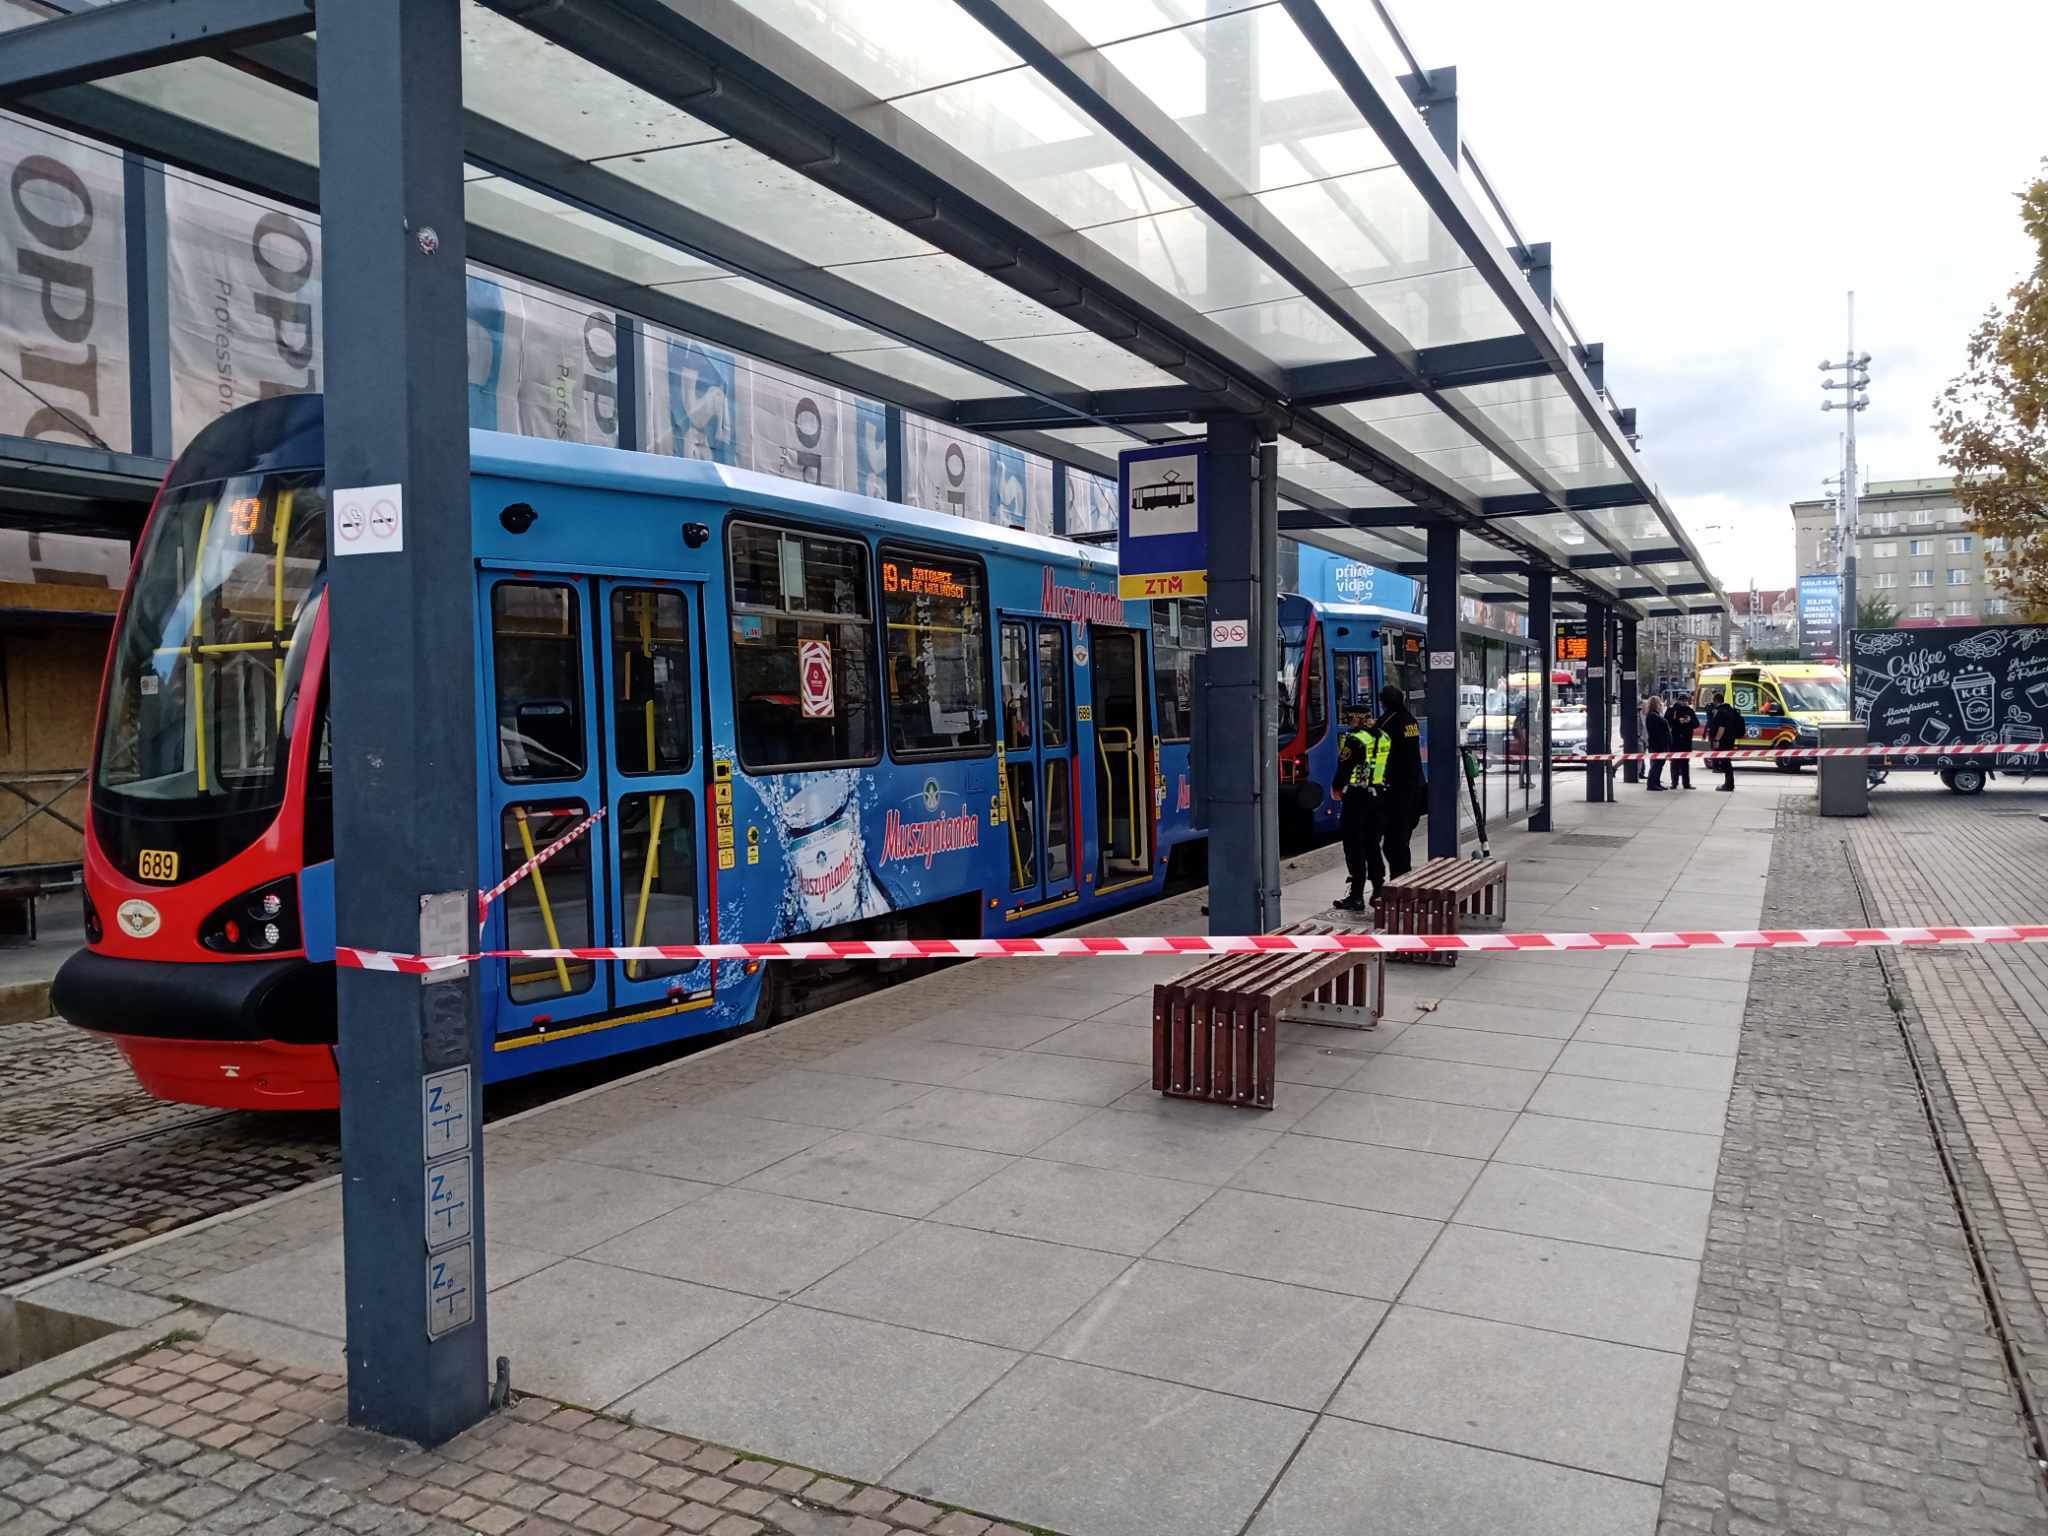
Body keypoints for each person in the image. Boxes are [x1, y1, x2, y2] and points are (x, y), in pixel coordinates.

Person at [1329, 706, 1389, 912]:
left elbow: (1344, 767)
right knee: (1373, 844)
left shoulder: (1355, 740)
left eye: (1349, 718)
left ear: (1357, 719)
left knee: (1355, 847)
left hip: (1357, 798)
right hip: (1378, 796)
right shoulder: (1383, 736)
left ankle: (1356, 896)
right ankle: (1379, 891)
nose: (1347, 721)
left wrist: (1336, 788)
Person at [1377, 684, 1425, 879]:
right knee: (1402, 841)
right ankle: (1403, 880)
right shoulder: (1410, 720)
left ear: (1384, 702)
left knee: (1392, 845)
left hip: (1398, 792)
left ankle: (1400, 883)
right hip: (1415, 789)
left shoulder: (1388, 722)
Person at [1709, 694, 1745, 790]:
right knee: (1726, 761)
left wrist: (1716, 740)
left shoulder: (1721, 712)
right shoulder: (1730, 710)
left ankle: (1728, 785)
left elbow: (1721, 728)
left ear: (1716, 701)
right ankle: (1729, 784)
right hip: (1730, 739)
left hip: (1723, 741)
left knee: (1725, 762)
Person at [1666, 691, 1699, 789]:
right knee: (1674, 762)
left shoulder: (1690, 711)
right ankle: (1674, 783)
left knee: (1685, 763)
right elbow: (1667, 722)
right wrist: (1677, 721)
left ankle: (1686, 783)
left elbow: (1696, 724)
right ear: (1678, 700)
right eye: (1682, 700)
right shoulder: (1671, 710)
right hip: (1675, 739)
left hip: (1686, 740)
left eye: (1685, 700)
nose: (1684, 702)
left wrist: (1689, 721)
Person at [1644, 696, 1670, 790]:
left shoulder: (1655, 715)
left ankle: (1656, 782)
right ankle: (1652, 784)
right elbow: (1658, 730)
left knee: (1659, 765)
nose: (1661, 705)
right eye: (1659, 703)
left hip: (1659, 744)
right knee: (1656, 765)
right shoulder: (1653, 716)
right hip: (1657, 745)